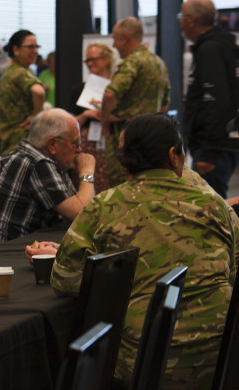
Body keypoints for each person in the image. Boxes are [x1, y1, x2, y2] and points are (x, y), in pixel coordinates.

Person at [29, 113, 238, 389]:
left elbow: (66, 279)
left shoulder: (103, 206)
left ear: (126, 159)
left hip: (143, 365)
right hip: (221, 361)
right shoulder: (216, 205)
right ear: (174, 156)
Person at [0, 109, 95, 246]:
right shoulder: (37, 164)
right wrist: (87, 171)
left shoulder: (31, 156)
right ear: (52, 145)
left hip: (14, 249)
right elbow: (83, 214)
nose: (79, 150)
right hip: (3, 258)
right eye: (75, 144)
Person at [180, 0, 239, 198]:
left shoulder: (210, 49)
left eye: (181, 15)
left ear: (191, 20)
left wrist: (209, 152)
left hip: (215, 148)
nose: (179, 20)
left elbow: (217, 102)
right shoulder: (221, 45)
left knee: (210, 208)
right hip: (220, 144)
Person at [101, 17, 170, 186]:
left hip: (126, 137)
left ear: (125, 37)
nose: (113, 46)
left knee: (121, 185)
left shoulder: (132, 62)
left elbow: (110, 95)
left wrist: (104, 119)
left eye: (115, 40)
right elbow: (164, 103)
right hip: (152, 140)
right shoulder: (158, 62)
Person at [68, 42, 115, 193]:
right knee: (85, 180)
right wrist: (85, 114)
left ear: (107, 59)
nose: (90, 63)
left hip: (110, 142)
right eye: (87, 60)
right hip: (86, 144)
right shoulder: (79, 89)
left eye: (94, 59)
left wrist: (108, 117)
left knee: (109, 182)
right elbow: (69, 123)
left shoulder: (116, 88)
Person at [0, 30, 45, 154]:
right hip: (22, 144)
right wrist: (36, 117)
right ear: (16, 50)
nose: (35, 51)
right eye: (30, 47)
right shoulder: (21, 73)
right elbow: (39, 92)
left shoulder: (8, 73)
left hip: (8, 143)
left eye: (37, 47)